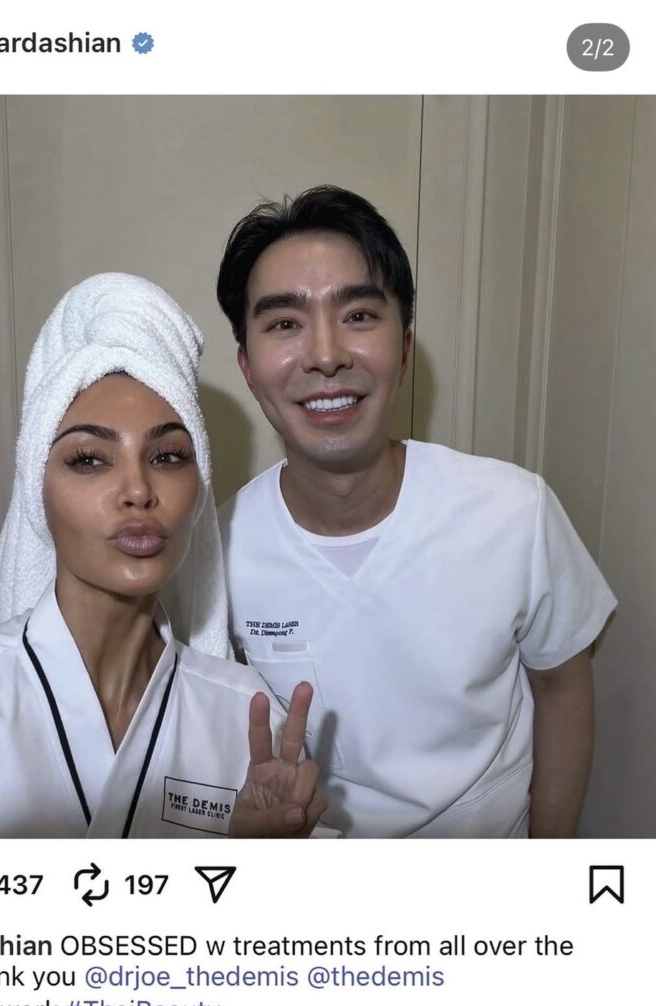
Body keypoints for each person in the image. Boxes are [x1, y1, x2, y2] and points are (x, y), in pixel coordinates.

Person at [0, 274, 327, 839]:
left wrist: (264, 861)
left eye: (168, 456)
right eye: (90, 459)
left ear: (199, 490)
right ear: (36, 490)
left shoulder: (248, 715)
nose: (138, 490)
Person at [216, 185, 617, 839]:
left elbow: (562, 687)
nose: (325, 355)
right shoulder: (219, 552)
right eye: (284, 323)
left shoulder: (514, 513)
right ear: (248, 367)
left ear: (404, 347)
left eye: (358, 315)